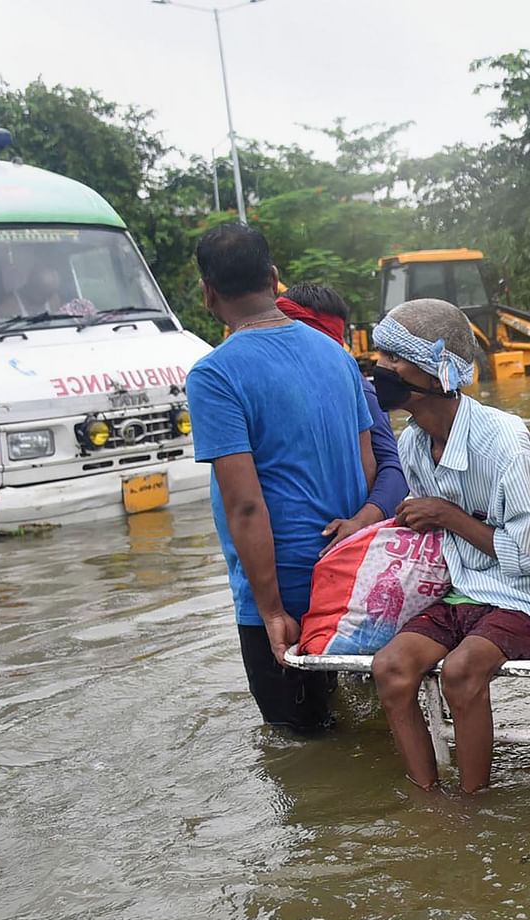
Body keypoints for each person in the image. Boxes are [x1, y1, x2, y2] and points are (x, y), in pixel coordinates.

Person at [365, 299, 530, 793]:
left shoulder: (505, 440)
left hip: (528, 597)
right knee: (389, 668)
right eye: (382, 357)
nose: (382, 369)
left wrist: (446, 516)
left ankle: (472, 806)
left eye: (395, 358)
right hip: (461, 591)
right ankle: (429, 800)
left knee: (460, 673)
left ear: (438, 374)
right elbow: (435, 537)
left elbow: (529, 558)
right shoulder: (412, 444)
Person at [185, 223, 381, 732]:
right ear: (274, 279)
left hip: (283, 590)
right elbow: (367, 468)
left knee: (299, 752)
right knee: (362, 732)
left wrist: (271, 610)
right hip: (347, 582)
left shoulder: (214, 375)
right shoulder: (337, 356)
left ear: (208, 292)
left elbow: (245, 506)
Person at [275, 282, 408, 530]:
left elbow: (393, 467)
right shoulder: (272, 386)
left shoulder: (358, 389)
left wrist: (361, 521)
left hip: (344, 534)